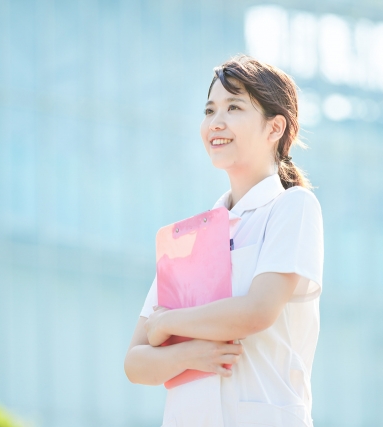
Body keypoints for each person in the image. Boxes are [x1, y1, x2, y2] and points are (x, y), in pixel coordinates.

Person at [124, 55, 324, 427]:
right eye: (209, 109)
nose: (216, 122)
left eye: (234, 107)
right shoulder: (188, 238)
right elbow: (136, 362)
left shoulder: (292, 207)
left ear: (274, 128)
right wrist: (190, 355)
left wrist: (170, 324)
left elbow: (257, 311)